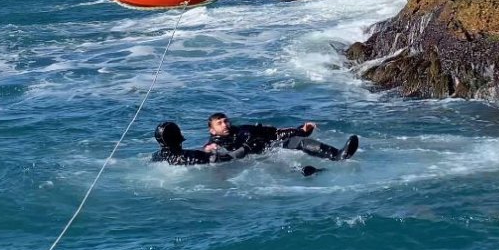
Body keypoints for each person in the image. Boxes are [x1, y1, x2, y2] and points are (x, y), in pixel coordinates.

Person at [204, 112, 358, 161]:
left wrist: (301, 130)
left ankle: (338, 155)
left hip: (271, 148)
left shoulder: (244, 129)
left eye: (226, 121)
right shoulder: (213, 144)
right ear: (212, 130)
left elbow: (274, 133)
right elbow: (210, 155)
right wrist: (211, 151)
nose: (225, 124)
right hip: (258, 161)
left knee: (300, 141)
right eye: (219, 123)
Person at [151, 121, 245, 165]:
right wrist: (246, 148)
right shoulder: (192, 156)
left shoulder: (155, 157)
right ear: (178, 136)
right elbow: (229, 158)